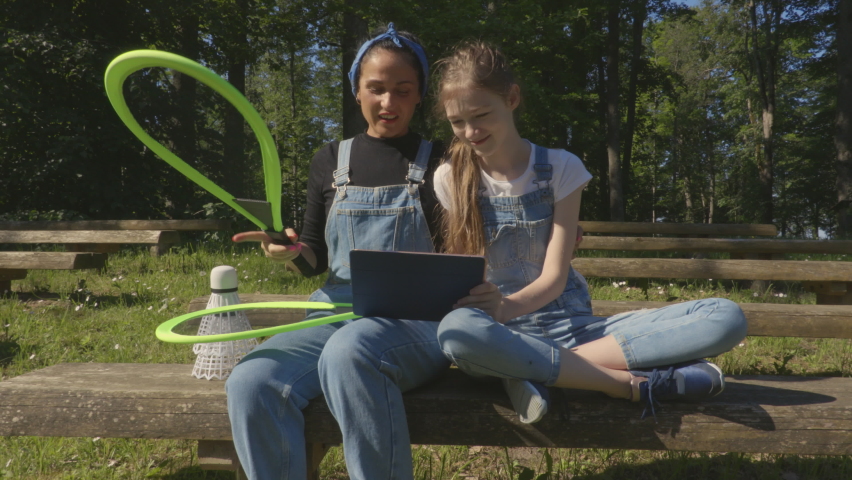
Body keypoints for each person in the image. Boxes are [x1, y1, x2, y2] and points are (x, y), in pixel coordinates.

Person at [431, 41, 749, 424]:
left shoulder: (562, 168)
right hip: (500, 335)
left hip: (575, 328)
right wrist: (487, 310)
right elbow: (466, 279)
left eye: (481, 115)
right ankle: (622, 382)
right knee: (456, 333)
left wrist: (503, 308)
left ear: (512, 98)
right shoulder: (451, 178)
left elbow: (553, 279)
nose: (469, 131)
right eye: (456, 122)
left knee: (725, 316)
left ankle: (532, 372)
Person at [225, 24, 451, 480]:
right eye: (377, 89)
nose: (389, 102)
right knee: (251, 381)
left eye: (403, 91)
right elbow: (316, 260)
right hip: (333, 319)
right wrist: (287, 250)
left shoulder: (443, 160)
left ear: (420, 95)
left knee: (351, 351)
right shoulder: (329, 160)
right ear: (356, 91)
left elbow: (462, 254)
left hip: (417, 325)